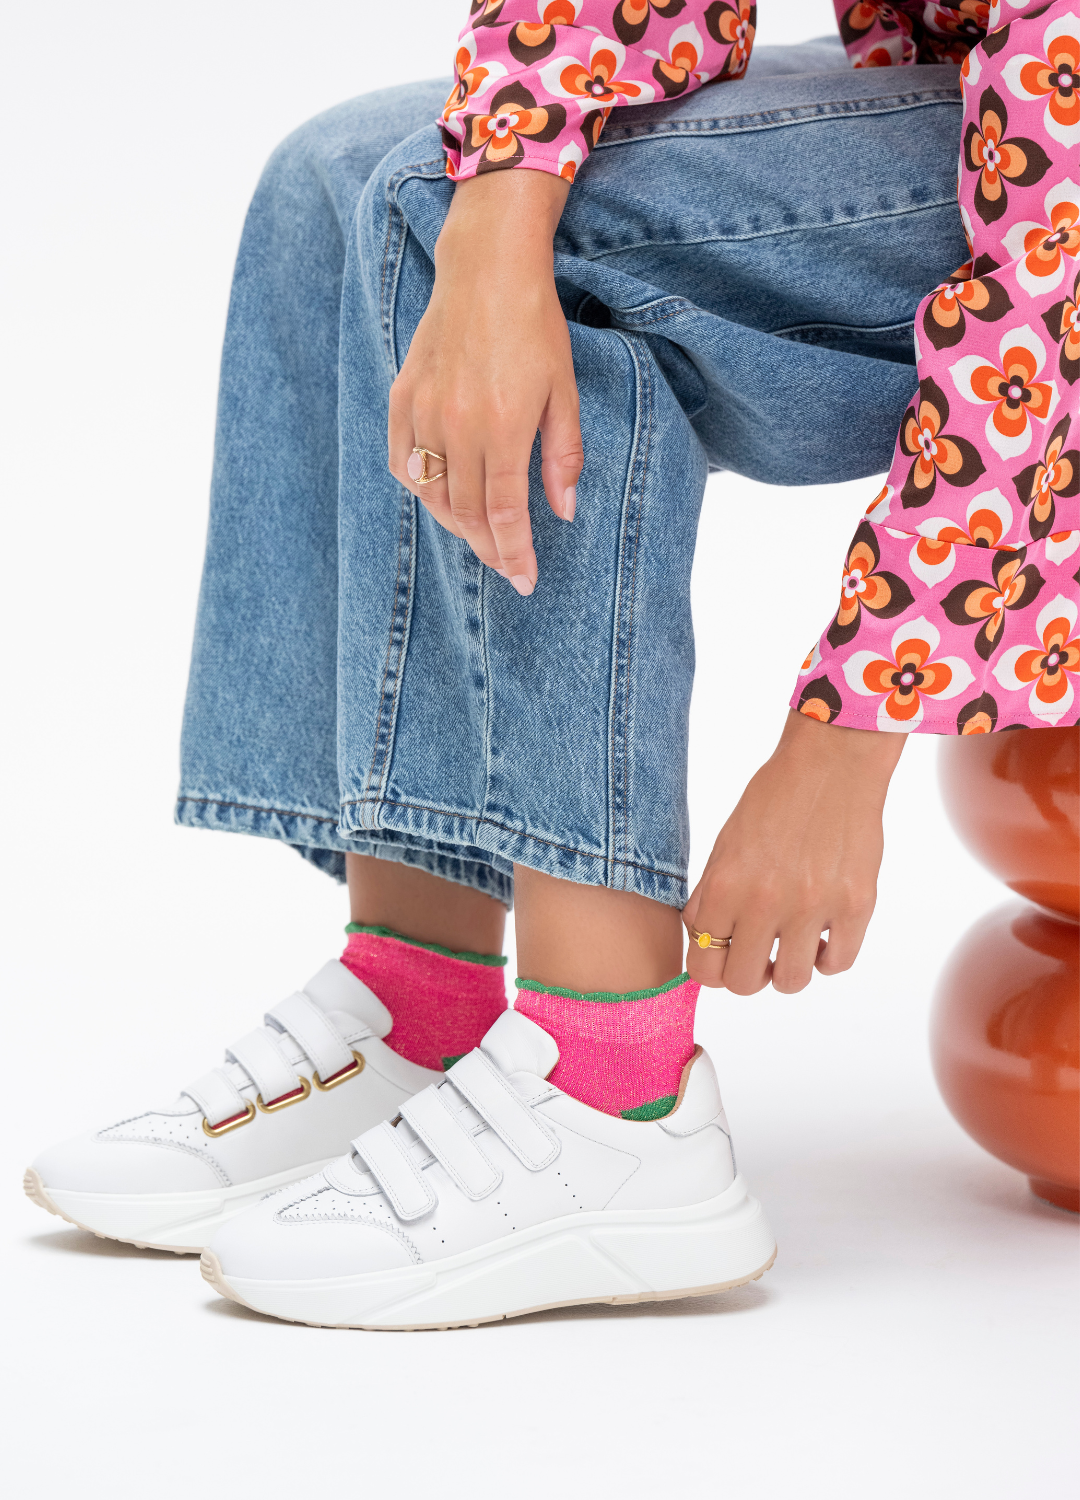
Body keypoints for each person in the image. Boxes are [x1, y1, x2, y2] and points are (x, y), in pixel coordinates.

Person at [26, 1, 1078, 1327]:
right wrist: (505, 193)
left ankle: (615, 1096)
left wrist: (846, 737)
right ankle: (422, 1009)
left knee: (527, 239)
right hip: (992, 107)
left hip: (1054, 212)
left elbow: (1056, 296)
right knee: (345, 174)